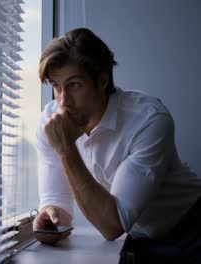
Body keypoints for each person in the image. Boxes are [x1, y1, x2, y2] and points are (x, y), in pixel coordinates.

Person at [33, 27, 201, 263]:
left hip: (190, 230)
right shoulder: (51, 121)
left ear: (102, 80)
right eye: (56, 86)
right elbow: (57, 203)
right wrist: (50, 220)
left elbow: (112, 226)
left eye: (75, 85)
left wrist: (66, 149)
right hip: (137, 239)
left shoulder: (149, 120)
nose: (63, 101)